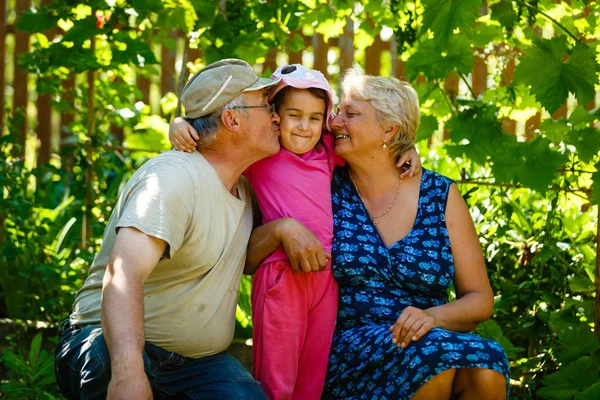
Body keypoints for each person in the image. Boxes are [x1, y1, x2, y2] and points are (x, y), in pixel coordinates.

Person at [250, 69, 510, 400]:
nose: (333, 121)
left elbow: (480, 299)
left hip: (430, 334)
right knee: (433, 361)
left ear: (389, 129)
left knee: (486, 363)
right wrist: (280, 229)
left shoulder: (439, 194)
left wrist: (431, 317)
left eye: (350, 113)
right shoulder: (322, 183)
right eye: (337, 111)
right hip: (350, 348)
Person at [168, 64, 422, 400]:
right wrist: (178, 125)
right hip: (280, 276)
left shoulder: (326, 152)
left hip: (326, 278)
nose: (304, 127)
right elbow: (214, 135)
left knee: (312, 378)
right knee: (277, 378)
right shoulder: (264, 154)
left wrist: (408, 148)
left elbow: (371, 143)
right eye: (294, 115)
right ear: (275, 117)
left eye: (315, 118)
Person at [54, 58, 281, 399]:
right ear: (232, 119)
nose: (277, 115)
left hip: (196, 364)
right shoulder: (171, 179)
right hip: (111, 344)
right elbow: (124, 274)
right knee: (116, 371)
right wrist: (128, 373)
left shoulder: (245, 190)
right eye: (267, 105)